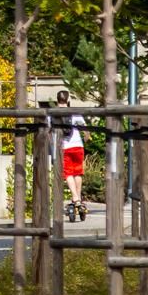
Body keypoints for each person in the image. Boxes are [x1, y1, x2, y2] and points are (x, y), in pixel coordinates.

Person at [57, 89, 88, 219]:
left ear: (57, 100)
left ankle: (75, 198)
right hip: (78, 145)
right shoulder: (74, 113)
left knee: (68, 173)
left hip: (65, 146)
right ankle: (78, 201)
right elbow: (85, 128)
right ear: (68, 100)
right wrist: (86, 138)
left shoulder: (53, 114)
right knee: (78, 172)